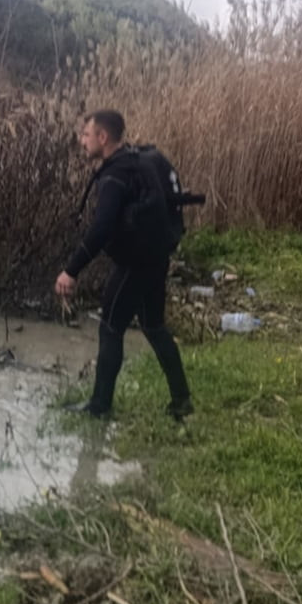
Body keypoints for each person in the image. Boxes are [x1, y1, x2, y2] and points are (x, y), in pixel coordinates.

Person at [54, 109, 192, 421]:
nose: (82, 141)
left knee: (111, 328)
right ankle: (181, 399)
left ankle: (99, 405)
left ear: (103, 137)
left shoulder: (116, 175)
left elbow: (101, 229)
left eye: (86, 135)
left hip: (135, 263)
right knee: (154, 327)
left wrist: (71, 270)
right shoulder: (138, 161)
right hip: (157, 256)